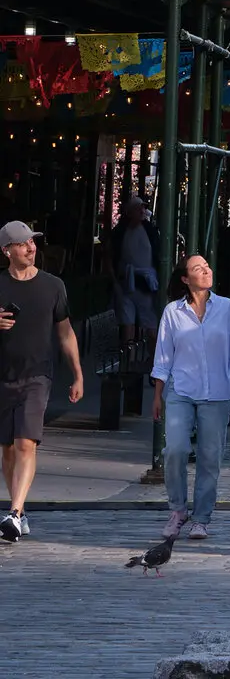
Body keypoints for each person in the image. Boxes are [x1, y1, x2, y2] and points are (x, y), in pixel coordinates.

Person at [151, 253, 230, 541]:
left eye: (207, 266)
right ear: (185, 278)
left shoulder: (228, 309)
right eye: (198, 268)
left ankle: (201, 518)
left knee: (210, 456)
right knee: (176, 450)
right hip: (181, 390)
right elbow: (163, 357)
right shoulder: (173, 312)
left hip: (217, 392)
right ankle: (178, 510)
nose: (206, 271)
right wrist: (157, 396)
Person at [0, 219, 83, 542]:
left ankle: (16, 512)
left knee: (25, 442)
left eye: (32, 242)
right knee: (7, 449)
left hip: (38, 375)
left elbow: (65, 332)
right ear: (7, 250)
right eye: (22, 244)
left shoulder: (53, 286)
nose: (30, 247)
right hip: (3, 375)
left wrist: (77, 374)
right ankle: (16, 511)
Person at [106, 194, 161, 353]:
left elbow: (159, 254)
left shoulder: (150, 230)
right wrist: (115, 281)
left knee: (150, 324)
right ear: (130, 212)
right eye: (139, 208)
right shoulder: (120, 231)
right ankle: (128, 359)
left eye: (143, 208)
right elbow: (109, 255)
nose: (142, 211)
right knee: (127, 322)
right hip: (125, 284)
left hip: (145, 285)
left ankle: (154, 361)